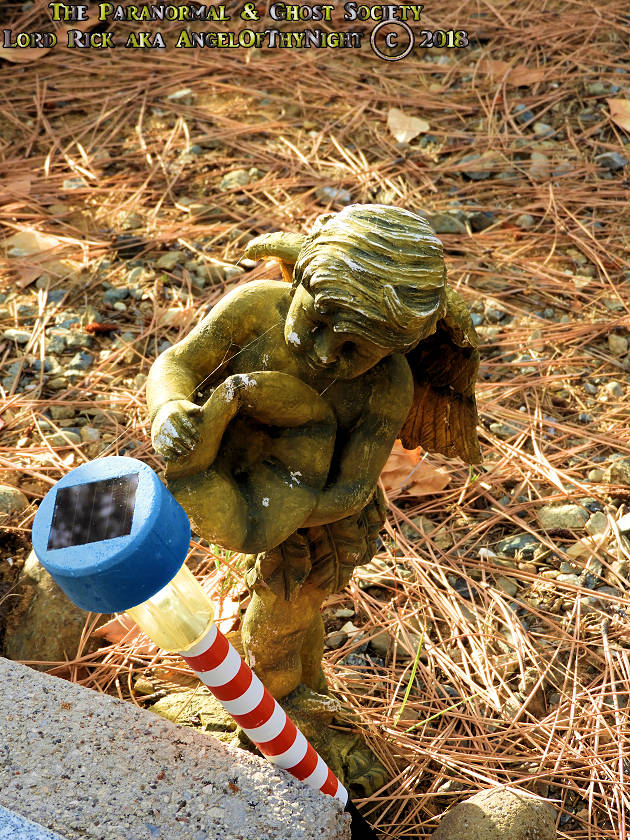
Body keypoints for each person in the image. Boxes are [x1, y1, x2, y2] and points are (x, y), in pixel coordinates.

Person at [146, 203, 481, 702]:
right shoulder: (255, 307)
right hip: (248, 473)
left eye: (355, 349)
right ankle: (304, 696)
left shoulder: (387, 385)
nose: (324, 352)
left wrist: (274, 506)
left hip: (321, 521)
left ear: (396, 349)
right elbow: (178, 362)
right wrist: (170, 407)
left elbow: (352, 488)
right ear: (299, 275)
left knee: (278, 620)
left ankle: (270, 716)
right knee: (291, 617)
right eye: (317, 319)